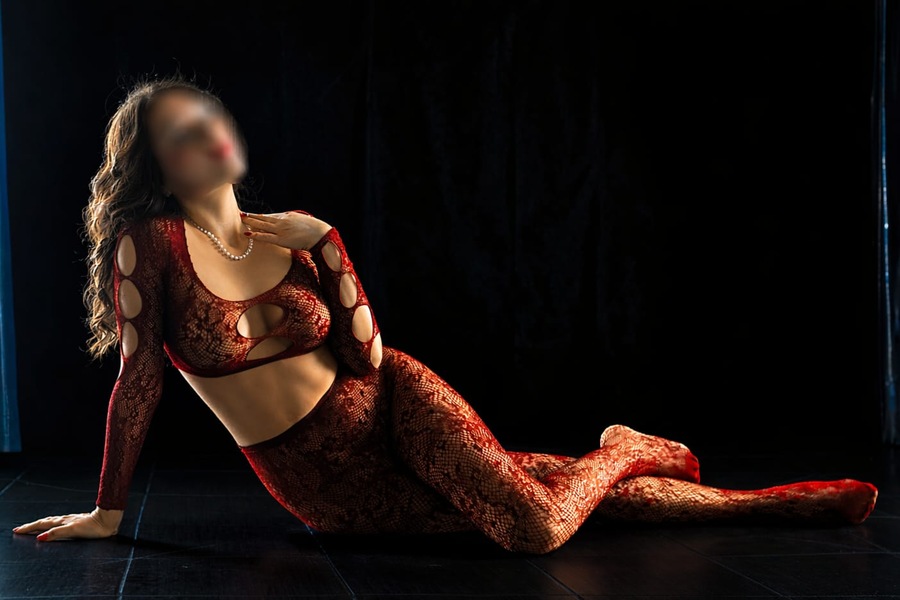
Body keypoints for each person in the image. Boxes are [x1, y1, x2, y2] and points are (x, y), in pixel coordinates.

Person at [11, 74, 879, 554]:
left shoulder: (297, 235)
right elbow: (138, 382)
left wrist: (331, 247)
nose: (209, 131)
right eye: (181, 131)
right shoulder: (151, 244)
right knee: (543, 492)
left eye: (208, 114)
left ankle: (757, 500)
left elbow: (365, 357)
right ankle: (643, 458)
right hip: (323, 484)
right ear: (157, 164)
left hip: (395, 401)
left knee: (533, 523)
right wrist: (110, 511)